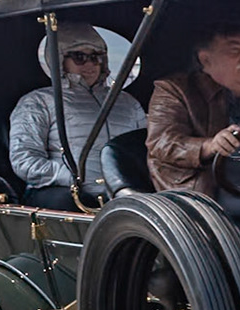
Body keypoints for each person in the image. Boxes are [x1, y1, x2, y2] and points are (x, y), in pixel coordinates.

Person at [7, 22, 145, 209]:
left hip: (121, 193)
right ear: (59, 60)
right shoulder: (38, 102)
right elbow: (24, 159)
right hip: (65, 192)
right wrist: (72, 178)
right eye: (79, 57)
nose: (89, 64)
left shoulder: (127, 102)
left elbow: (145, 149)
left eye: (95, 57)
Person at [145, 20, 240, 197]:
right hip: (213, 192)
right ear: (206, 60)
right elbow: (162, 143)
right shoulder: (173, 90)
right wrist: (210, 145)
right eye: (235, 49)